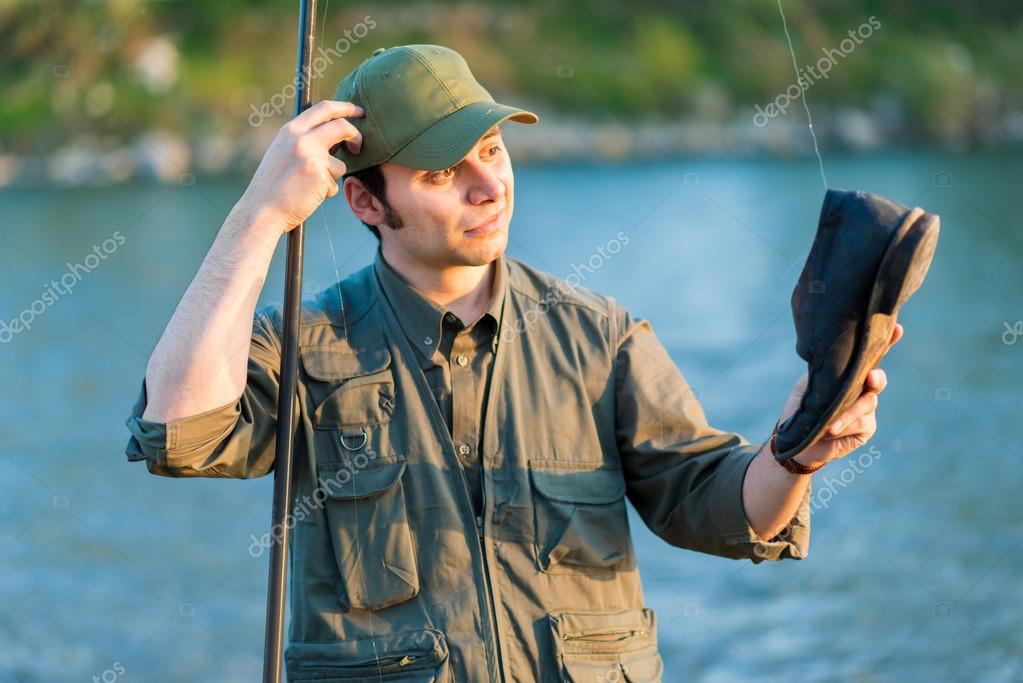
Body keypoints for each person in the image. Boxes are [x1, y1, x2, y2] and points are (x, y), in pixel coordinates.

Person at [125, 44, 901, 682]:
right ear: (365, 203)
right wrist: (260, 215)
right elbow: (178, 428)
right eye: (441, 174)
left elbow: (720, 509)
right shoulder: (305, 341)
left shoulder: (601, 337)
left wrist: (797, 449)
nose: (487, 184)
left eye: (492, 151)